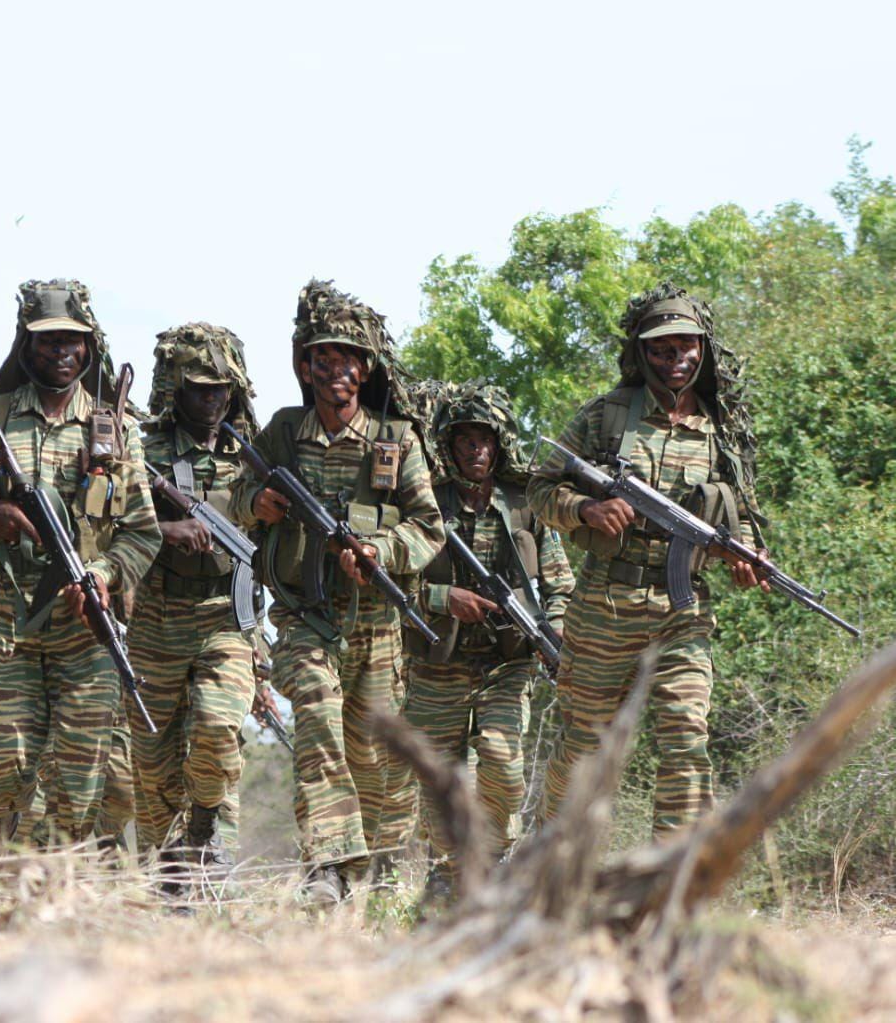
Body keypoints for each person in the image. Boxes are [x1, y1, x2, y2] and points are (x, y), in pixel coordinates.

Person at [0, 279, 160, 850]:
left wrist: (102, 575)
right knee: (2, 768)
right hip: (5, 619)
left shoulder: (116, 430)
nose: (61, 352)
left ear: (89, 346)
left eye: (72, 341)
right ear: (27, 347)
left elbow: (142, 534)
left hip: (84, 622)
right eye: (48, 341)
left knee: (80, 783)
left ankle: (46, 881)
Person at [227, 280, 444, 903]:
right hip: (304, 617)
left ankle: (372, 879)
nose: (335, 369)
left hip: (376, 621)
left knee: (374, 758)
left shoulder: (395, 438)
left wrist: (380, 550)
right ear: (304, 365)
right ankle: (326, 866)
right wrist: (258, 502)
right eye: (322, 357)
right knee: (317, 720)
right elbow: (238, 499)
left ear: (366, 366)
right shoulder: (282, 432)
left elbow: (429, 527)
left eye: (347, 357)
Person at [530, 282, 767, 836]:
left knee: (687, 737)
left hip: (683, 608)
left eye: (687, 347)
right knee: (585, 743)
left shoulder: (721, 429)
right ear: (641, 353)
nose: (676, 359)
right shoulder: (606, 416)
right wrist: (586, 509)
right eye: (662, 349)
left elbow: (745, 510)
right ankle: (550, 862)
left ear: (702, 350)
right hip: (605, 606)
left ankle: (669, 882)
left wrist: (750, 553)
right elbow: (539, 490)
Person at [400, 380, 573, 903]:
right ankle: (448, 870)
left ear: (500, 443)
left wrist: (556, 629)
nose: (476, 450)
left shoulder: (524, 505)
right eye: (465, 440)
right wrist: (440, 598)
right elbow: (389, 577)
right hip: (438, 659)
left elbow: (561, 582)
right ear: (449, 446)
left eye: (485, 439)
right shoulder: (426, 503)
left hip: (508, 660)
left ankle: (494, 859)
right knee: (438, 775)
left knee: (500, 756)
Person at [128, 323, 260, 879]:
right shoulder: (146, 452)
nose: (212, 398)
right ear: (176, 389)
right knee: (154, 768)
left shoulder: (253, 454)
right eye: (200, 387)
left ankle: (206, 827)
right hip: (156, 620)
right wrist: (165, 529)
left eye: (221, 387)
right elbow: (105, 520)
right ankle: (163, 873)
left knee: (217, 726)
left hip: (227, 619)